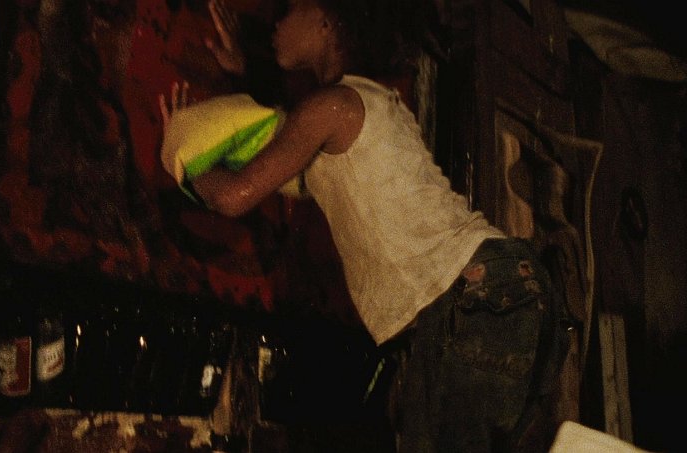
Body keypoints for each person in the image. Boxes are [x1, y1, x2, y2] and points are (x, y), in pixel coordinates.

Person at [161, 0, 570, 451]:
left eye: (291, 8)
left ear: (326, 20)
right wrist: (244, 75)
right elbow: (289, 149)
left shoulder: (334, 107)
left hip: (470, 301)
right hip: (499, 294)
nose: (277, 22)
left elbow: (233, 195)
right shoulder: (365, 103)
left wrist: (183, 154)